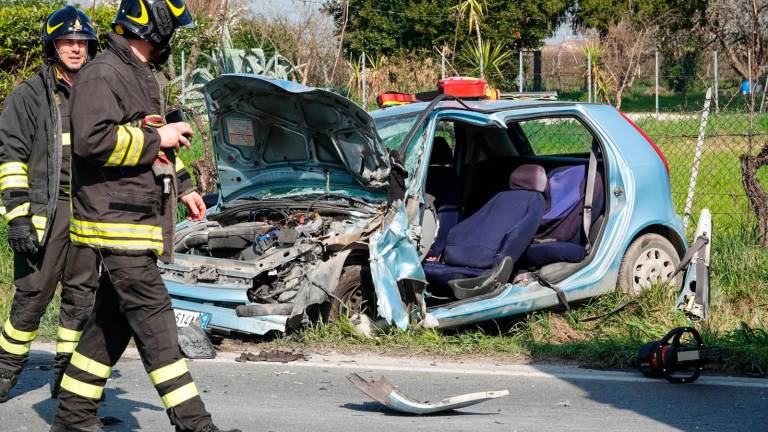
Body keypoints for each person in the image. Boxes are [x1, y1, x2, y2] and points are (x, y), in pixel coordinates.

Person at [50, 1, 239, 431]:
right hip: (116, 223)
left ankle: (72, 415)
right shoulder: (104, 74)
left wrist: (186, 186)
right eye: (169, 29)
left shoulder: (139, 74)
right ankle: (195, 424)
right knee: (157, 324)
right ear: (152, 28)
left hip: (136, 220)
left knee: (111, 323)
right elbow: (93, 143)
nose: (171, 39)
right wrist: (160, 135)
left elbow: (154, 141)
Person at [0, 5, 100, 403]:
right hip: (48, 210)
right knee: (32, 294)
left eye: (81, 42)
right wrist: (18, 217)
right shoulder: (28, 96)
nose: (75, 49)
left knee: (81, 297)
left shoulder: (99, 91)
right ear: (52, 46)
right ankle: (6, 372)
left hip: (89, 210)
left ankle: (66, 377)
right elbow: (10, 158)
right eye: (67, 41)